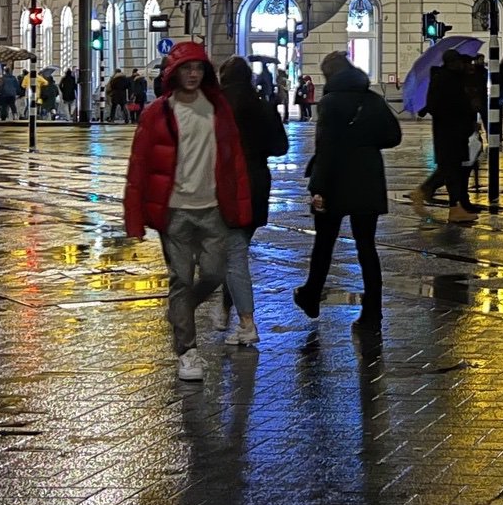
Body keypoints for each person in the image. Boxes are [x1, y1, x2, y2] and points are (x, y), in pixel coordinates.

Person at [122, 41, 255, 382]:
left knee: (213, 274)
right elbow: (139, 167)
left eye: (198, 69)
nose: (193, 74)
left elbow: (235, 162)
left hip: (212, 208)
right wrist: (134, 219)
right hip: (175, 212)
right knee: (181, 278)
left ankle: (180, 310)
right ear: (174, 73)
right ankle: (187, 351)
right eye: (186, 69)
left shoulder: (218, 107)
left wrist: (242, 208)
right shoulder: (157, 113)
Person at [293, 51, 401, 329]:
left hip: (336, 180)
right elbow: (393, 136)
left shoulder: (329, 103)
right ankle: (373, 310)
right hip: (368, 178)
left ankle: (312, 295)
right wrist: (365, 141)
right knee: (367, 247)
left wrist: (318, 188)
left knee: (324, 243)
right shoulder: (373, 99)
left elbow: (326, 148)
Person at [217, 54, 290, 347]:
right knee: (236, 249)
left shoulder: (217, 107)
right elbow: (280, 147)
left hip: (226, 183)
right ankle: (227, 307)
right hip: (257, 181)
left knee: (232, 254)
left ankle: (242, 319)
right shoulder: (263, 105)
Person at [414, 49, 479, 223]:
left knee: (452, 172)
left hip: (455, 132)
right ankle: (422, 191)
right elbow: (437, 106)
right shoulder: (444, 79)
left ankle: (455, 208)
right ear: (453, 63)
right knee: (449, 170)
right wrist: (461, 112)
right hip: (449, 133)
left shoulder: (453, 79)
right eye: (460, 62)